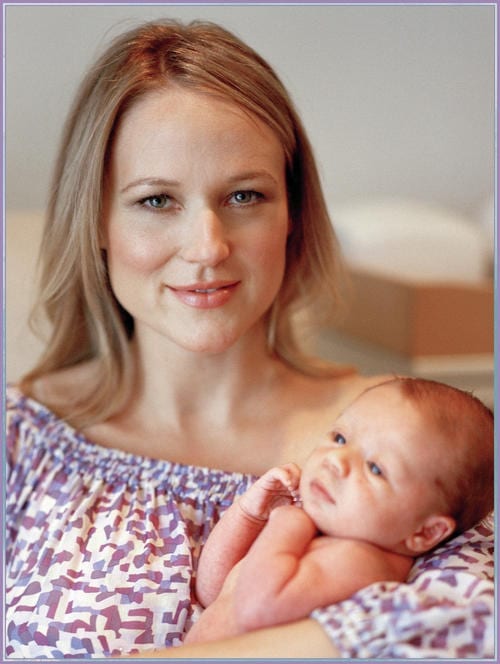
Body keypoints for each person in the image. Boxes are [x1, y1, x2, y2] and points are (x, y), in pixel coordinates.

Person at [5, 18, 493, 659]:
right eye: (156, 201)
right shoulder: (21, 440)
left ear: (292, 213)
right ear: (96, 218)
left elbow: (471, 630)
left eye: (244, 195)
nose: (208, 247)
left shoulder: (413, 435)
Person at [185, 376, 494, 644]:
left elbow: (256, 609)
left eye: (375, 468)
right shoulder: (321, 536)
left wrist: (286, 522)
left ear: (424, 532)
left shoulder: (359, 560)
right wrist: (248, 513)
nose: (336, 460)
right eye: (340, 438)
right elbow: (212, 591)